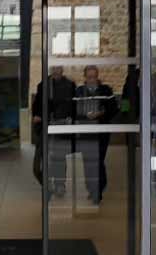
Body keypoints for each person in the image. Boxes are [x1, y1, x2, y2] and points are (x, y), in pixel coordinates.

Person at [75, 66, 118, 204]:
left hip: (101, 132)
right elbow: (73, 109)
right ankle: (91, 189)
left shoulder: (106, 90)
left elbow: (114, 109)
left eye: (94, 76)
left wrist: (101, 113)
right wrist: (84, 115)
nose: (92, 79)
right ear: (85, 77)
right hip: (86, 132)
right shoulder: (79, 91)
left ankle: (97, 190)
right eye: (89, 77)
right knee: (88, 162)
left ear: (97, 76)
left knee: (98, 160)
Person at [31, 66, 76, 194]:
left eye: (58, 68)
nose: (56, 71)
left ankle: (59, 184)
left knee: (59, 158)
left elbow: (73, 105)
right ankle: (46, 182)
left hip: (61, 127)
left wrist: (70, 118)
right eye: (54, 68)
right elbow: (37, 104)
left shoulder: (70, 85)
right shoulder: (43, 85)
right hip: (44, 127)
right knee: (38, 164)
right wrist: (37, 115)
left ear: (62, 70)